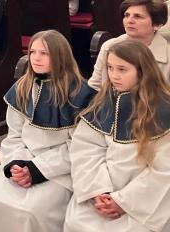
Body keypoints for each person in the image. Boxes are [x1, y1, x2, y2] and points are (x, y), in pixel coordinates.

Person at [0, 30, 95, 232]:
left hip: (61, 170)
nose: (35, 58)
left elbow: (79, 147)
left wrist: (36, 170)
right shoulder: (22, 87)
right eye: (32, 52)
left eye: (44, 53)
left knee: (33, 209)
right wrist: (16, 164)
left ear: (60, 56)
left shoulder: (80, 94)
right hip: (24, 159)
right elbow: (14, 136)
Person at [65, 40, 170, 231]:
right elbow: (85, 150)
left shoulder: (164, 110)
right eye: (110, 68)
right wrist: (98, 191)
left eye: (122, 69)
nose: (114, 75)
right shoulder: (103, 104)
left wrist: (123, 202)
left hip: (144, 200)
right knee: (77, 223)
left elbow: (164, 169)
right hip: (101, 190)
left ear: (142, 71)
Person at [88, 0, 170, 89]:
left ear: (157, 25)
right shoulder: (109, 46)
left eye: (138, 16)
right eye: (126, 15)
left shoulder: (167, 54)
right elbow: (95, 87)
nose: (129, 21)